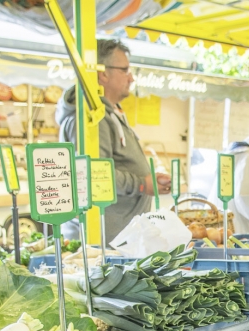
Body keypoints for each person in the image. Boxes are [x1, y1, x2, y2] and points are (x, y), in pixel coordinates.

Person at [56, 39, 170, 240]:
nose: (131, 78)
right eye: (124, 70)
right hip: (101, 241)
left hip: (118, 237)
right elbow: (92, 173)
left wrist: (147, 179)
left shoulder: (107, 115)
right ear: (103, 74)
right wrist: (141, 184)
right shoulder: (90, 119)